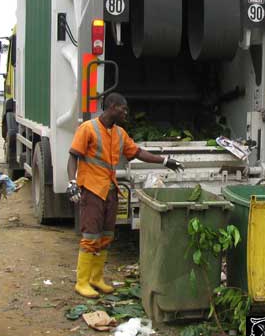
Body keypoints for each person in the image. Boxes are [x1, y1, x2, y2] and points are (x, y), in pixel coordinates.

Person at [66, 92, 184, 298]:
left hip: (110, 189)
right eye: (124, 109)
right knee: (90, 236)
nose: (126, 113)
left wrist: (165, 161)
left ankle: (96, 278)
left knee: (106, 236)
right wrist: (72, 182)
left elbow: (137, 153)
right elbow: (73, 156)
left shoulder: (120, 133)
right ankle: (82, 282)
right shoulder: (88, 129)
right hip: (92, 189)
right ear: (112, 107)